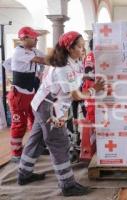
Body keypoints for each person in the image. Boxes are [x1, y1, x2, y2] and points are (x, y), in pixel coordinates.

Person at [17, 31, 105, 197]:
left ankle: (24, 173)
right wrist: (95, 89)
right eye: (79, 46)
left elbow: (78, 75)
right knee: (59, 143)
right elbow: (75, 95)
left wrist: (89, 76)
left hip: (44, 104)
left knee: (37, 139)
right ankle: (67, 185)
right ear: (69, 48)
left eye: (83, 45)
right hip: (49, 107)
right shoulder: (62, 67)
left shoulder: (72, 60)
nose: (82, 49)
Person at [7, 26, 45, 162]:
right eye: (34, 37)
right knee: (19, 124)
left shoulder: (33, 50)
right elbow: (42, 60)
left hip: (31, 92)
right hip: (19, 94)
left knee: (35, 121)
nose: (36, 39)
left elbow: (45, 56)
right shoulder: (20, 52)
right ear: (24, 38)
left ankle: (34, 147)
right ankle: (16, 154)